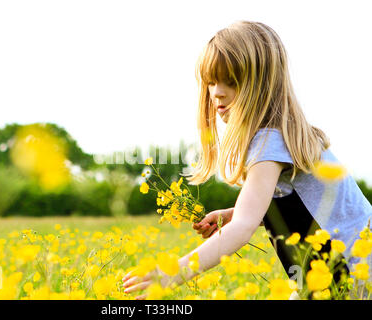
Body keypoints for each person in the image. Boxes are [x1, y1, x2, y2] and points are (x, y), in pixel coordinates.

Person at [122, 20, 372, 300]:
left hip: (352, 271)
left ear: (263, 85)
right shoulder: (284, 135)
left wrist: (173, 273)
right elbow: (301, 204)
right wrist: (234, 213)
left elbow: (243, 229)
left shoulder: (270, 143)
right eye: (211, 81)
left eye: (231, 80)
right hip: (344, 267)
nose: (217, 91)